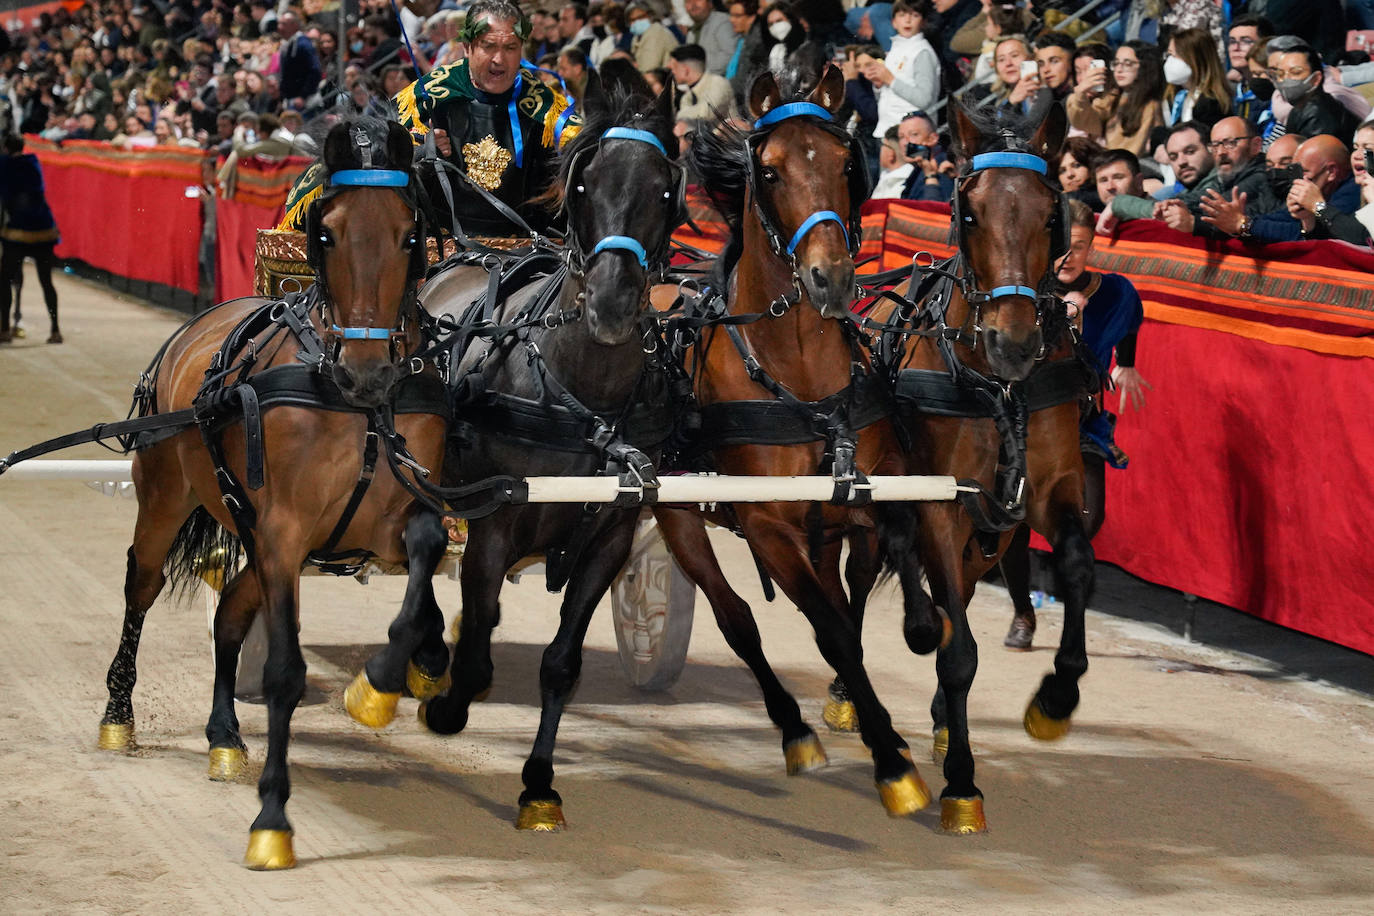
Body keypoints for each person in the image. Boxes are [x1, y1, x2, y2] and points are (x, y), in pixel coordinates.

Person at [1001, 198, 1149, 650]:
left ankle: (1065, 589)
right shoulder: (1023, 294)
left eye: (1079, 247)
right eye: (1060, 245)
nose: (1067, 257)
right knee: (1013, 522)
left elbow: (1129, 321)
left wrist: (1126, 363)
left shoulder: (1116, 291)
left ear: (1092, 247)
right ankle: (1023, 611)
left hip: (1080, 423)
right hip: (1022, 421)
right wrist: (1059, 321)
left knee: (1088, 519)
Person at [313, 0, 583, 241]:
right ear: (467, 47)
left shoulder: (546, 107)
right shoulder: (426, 96)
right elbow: (376, 154)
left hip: (524, 249)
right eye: (489, 46)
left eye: (510, 48)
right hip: (440, 249)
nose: (499, 59)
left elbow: (584, 152)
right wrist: (419, 152)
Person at [1157, 117, 1279, 237]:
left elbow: (1222, 212)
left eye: (1230, 143)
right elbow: (1203, 196)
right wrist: (1170, 204)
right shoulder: (1227, 176)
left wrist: (1194, 223)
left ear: (1255, 145)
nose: (1221, 152)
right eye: (1215, 145)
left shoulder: (1263, 176)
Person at [0, 134, 61, 345]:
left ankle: (5, 328)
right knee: (46, 281)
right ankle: (55, 329)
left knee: (5, 279)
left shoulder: (5, 165)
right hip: (44, 228)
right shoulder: (33, 164)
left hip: (17, 230)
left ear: (6, 148)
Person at [1068, 40, 1165, 157]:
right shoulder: (1112, 99)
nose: (1119, 69)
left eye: (1127, 64)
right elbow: (1086, 123)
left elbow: (1132, 151)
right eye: (1116, 63)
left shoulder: (1150, 105)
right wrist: (1080, 94)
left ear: (1145, 66)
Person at [862, 0, 940, 140]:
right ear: (894, 22)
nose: (908, 20)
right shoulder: (895, 49)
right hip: (887, 129)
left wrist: (890, 80)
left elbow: (924, 99)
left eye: (915, 15)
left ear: (923, 22)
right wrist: (879, 85)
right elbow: (886, 98)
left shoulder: (922, 52)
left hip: (911, 135)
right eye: (902, 15)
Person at [1266, 37, 1359, 145]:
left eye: (1296, 72)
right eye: (1280, 74)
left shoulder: (1319, 114)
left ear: (1316, 79)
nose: (1286, 79)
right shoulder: (1299, 107)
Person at [1162, 27, 1231, 130]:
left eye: (1175, 56)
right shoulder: (1176, 96)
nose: (1170, 61)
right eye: (1169, 54)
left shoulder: (1211, 104)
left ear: (1196, 60)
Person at [897, 110, 955, 201]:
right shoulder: (918, 170)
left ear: (932, 139)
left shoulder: (944, 169)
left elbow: (936, 211)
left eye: (914, 134)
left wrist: (931, 177)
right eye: (901, 137)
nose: (905, 143)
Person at [670, 43, 734, 120]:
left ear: (685, 70)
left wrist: (680, 115)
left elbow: (707, 113)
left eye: (674, 67)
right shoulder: (687, 97)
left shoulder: (718, 83)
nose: (673, 72)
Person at [683, 0, 736, 75]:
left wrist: (697, 68)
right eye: (688, 1)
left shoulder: (723, 23)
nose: (693, 4)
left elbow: (731, 58)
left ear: (710, 3)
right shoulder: (692, 32)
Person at [628, 3, 679, 72]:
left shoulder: (656, 31)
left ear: (650, 16)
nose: (637, 22)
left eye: (640, 17)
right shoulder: (636, 38)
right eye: (632, 20)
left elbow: (649, 68)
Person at [870, 125, 913, 199]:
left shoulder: (900, 185)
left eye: (883, 145)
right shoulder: (888, 176)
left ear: (891, 153)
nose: (881, 149)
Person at [1033, 30, 1076, 102]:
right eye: (1041, 64)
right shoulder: (1043, 97)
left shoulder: (1085, 96)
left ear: (1071, 61)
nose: (1046, 70)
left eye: (1054, 61)